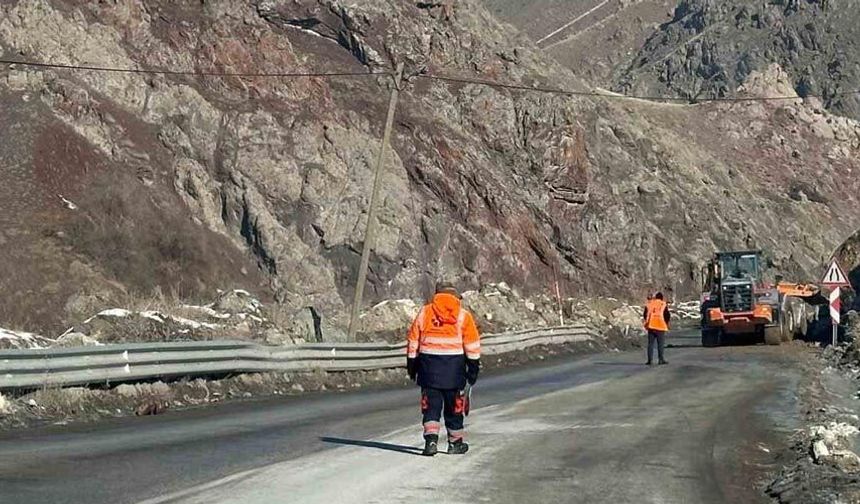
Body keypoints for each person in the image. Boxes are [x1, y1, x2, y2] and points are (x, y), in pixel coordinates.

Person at [406, 282, 481, 456]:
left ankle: (431, 441)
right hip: (454, 372)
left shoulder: (425, 312)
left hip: (428, 369)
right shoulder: (463, 316)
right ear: (455, 296)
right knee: (454, 408)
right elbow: (472, 345)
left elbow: (413, 341)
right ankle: (455, 444)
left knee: (431, 408)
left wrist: (412, 365)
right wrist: (473, 369)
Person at [643, 291, 671, 366]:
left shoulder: (650, 304)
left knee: (650, 344)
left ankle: (650, 360)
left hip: (651, 326)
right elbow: (667, 315)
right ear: (662, 298)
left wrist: (647, 322)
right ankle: (661, 359)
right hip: (660, 326)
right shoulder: (663, 304)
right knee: (660, 344)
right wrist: (667, 323)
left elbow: (645, 314)